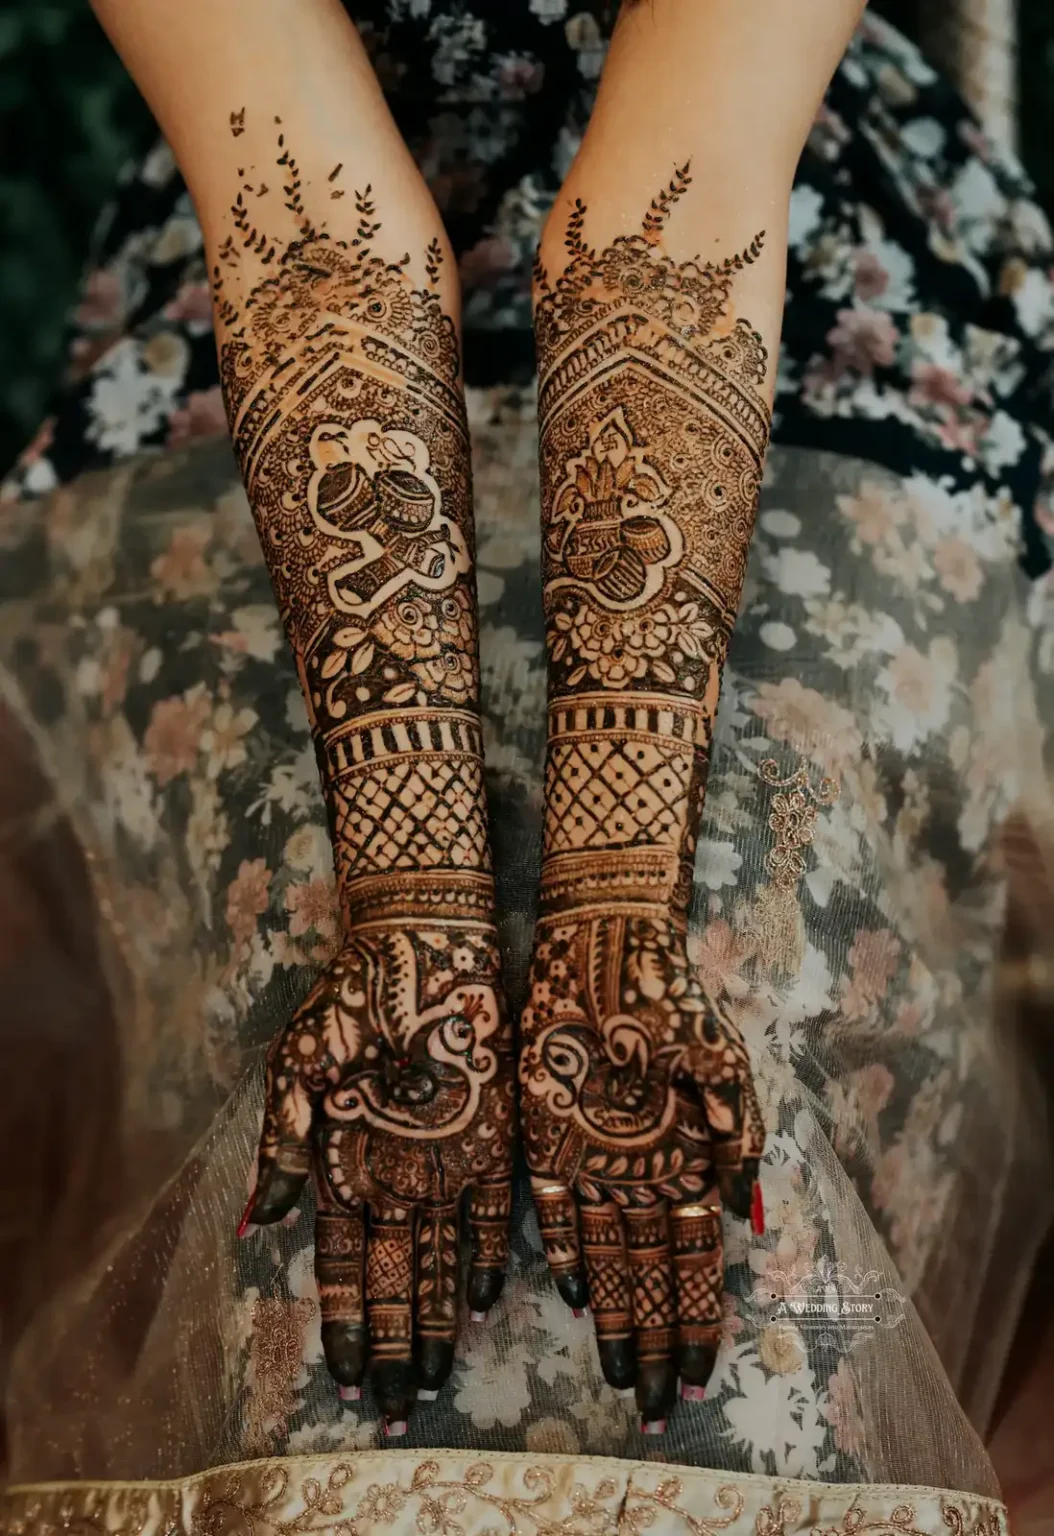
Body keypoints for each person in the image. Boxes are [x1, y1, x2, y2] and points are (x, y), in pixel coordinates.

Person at [0, 1, 1052, 1529]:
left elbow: (678, 211)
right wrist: (413, 924)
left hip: (801, 259)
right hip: (263, 290)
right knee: (293, 1067)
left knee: (748, 1022)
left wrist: (617, 924)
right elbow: (304, 220)